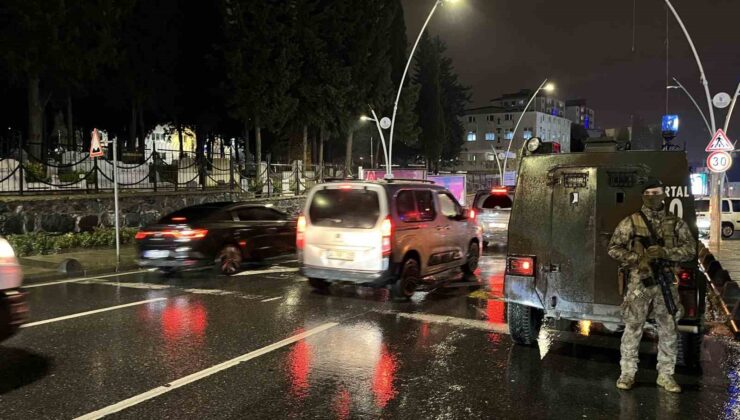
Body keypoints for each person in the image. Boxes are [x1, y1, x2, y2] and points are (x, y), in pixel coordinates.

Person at [607, 178, 696, 393]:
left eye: (657, 192)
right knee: (633, 326)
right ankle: (627, 373)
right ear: (643, 196)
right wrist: (638, 259)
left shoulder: (675, 223)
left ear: (664, 194)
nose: (654, 196)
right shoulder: (631, 221)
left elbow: (691, 249)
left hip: (665, 281)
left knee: (668, 328)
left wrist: (666, 252)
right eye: (649, 192)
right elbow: (613, 248)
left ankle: (666, 376)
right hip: (640, 282)